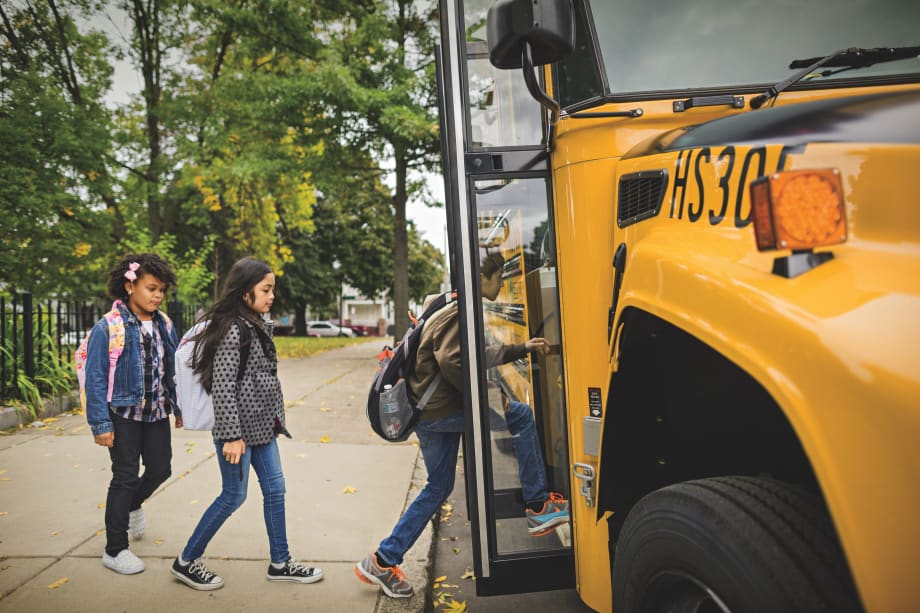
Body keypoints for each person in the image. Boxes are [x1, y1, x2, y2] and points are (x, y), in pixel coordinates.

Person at [355, 252, 570, 598]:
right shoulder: (460, 310)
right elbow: (454, 361)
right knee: (521, 415)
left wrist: (522, 348)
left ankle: (382, 560)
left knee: (437, 488)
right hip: (440, 411)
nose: (501, 285)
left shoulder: (453, 301)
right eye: (499, 277)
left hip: (427, 412)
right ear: (484, 277)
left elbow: (478, 353)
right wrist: (485, 396)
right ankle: (538, 506)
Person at [170, 257, 323, 590]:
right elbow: (222, 384)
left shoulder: (254, 322)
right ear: (244, 292)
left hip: (262, 428)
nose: (271, 296)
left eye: (272, 290)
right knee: (233, 495)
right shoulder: (232, 328)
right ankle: (186, 561)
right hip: (237, 433)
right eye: (265, 289)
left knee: (275, 490)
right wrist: (231, 436)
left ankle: (280, 563)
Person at [84, 253, 181, 575]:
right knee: (124, 477)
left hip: (155, 414)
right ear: (130, 285)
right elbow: (96, 376)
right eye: (151, 288)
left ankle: (134, 504)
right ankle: (115, 549)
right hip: (122, 415)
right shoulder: (108, 326)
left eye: (161, 290)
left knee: (160, 470)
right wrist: (100, 424)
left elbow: (172, 368)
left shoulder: (165, 324)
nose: (157, 295)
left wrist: (178, 406)